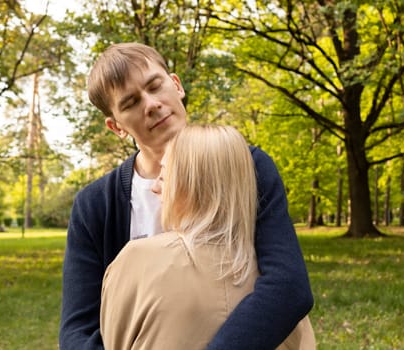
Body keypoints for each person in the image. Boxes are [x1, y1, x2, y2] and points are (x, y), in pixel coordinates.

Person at [59, 42, 314, 350]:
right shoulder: (96, 205)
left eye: (155, 86)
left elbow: (288, 287)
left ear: (176, 85)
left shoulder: (247, 166)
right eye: (130, 103)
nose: (151, 104)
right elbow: (77, 331)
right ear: (116, 127)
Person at [100, 124, 316, 349]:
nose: (155, 188)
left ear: (191, 185)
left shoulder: (138, 260)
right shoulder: (284, 299)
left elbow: (115, 341)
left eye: (164, 177)